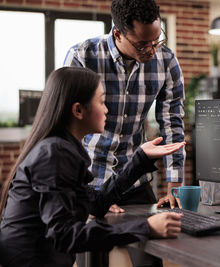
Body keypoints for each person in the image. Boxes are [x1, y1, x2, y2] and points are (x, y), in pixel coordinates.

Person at [0, 67, 185, 267]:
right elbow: (64, 234)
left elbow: (96, 204)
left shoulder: (62, 148)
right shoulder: (54, 154)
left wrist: (141, 158)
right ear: (78, 110)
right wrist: (146, 227)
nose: (107, 109)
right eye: (102, 101)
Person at [64, 0, 185, 212]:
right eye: (142, 44)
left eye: (156, 40)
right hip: (90, 180)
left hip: (135, 181)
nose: (152, 50)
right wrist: (95, 197)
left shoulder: (166, 61)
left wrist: (174, 185)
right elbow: (67, 127)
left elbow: (172, 122)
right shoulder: (83, 56)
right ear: (118, 34)